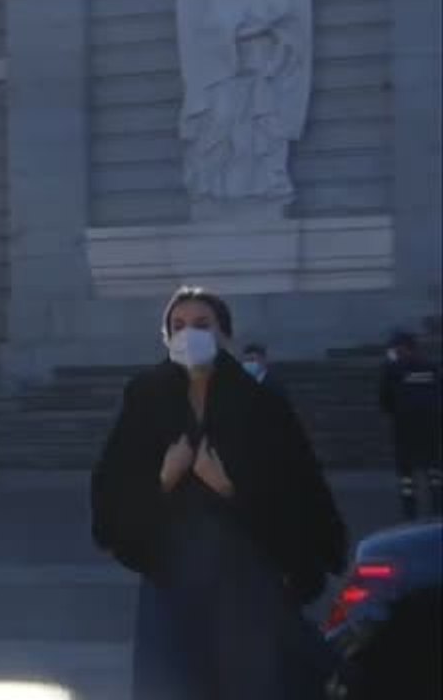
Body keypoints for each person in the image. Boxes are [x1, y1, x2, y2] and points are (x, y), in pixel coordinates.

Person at [91, 287, 348, 700]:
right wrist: (164, 479)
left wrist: (228, 487)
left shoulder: (260, 405)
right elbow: (111, 492)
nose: (188, 333)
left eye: (201, 324)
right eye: (178, 326)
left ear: (224, 334)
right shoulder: (145, 398)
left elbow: (296, 491)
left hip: (243, 581)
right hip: (171, 582)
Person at [379, 331, 443, 519]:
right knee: (434, 469)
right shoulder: (430, 367)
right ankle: (438, 508)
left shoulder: (391, 370)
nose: (394, 352)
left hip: (404, 426)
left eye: (395, 348)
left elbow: (384, 399)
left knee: (406, 473)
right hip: (430, 424)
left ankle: (410, 512)